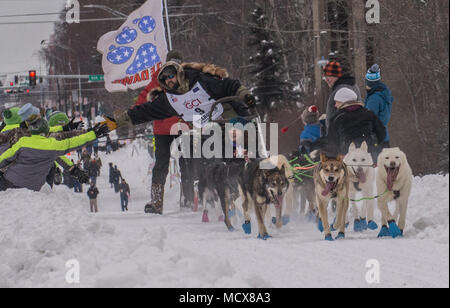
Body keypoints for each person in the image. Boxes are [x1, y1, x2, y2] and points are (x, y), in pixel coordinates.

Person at [110, 54, 255, 215]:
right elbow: (143, 107)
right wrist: (121, 119)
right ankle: (158, 201)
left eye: (172, 73)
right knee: (164, 163)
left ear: (179, 69)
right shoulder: (161, 89)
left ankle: (195, 196)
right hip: (164, 131)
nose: (168, 79)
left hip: (195, 127)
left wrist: (244, 101)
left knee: (191, 161)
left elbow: (226, 89)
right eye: (165, 78)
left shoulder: (197, 80)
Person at [0, 115, 108, 191]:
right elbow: (74, 142)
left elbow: (5, 158)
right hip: (34, 186)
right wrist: (93, 134)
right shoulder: (54, 145)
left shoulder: (23, 142)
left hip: (10, 181)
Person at [319, 88, 386, 156]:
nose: (335, 105)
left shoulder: (337, 118)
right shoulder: (369, 113)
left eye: (337, 102)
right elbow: (381, 133)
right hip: (369, 156)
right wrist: (375, 146)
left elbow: (332, 141)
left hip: (347, 158)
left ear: (343, 101)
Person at [364, 64, 394, 161]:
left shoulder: (374, 98)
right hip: (384, 136)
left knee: (376, 169)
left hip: (375, 139)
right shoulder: (383, 94)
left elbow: (368, 119)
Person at [322, 61, 362, 133]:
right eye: (325, 77)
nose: (327, 79)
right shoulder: (352, 85)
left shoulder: (342, 91)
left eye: (330, 76)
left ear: (337, 76)